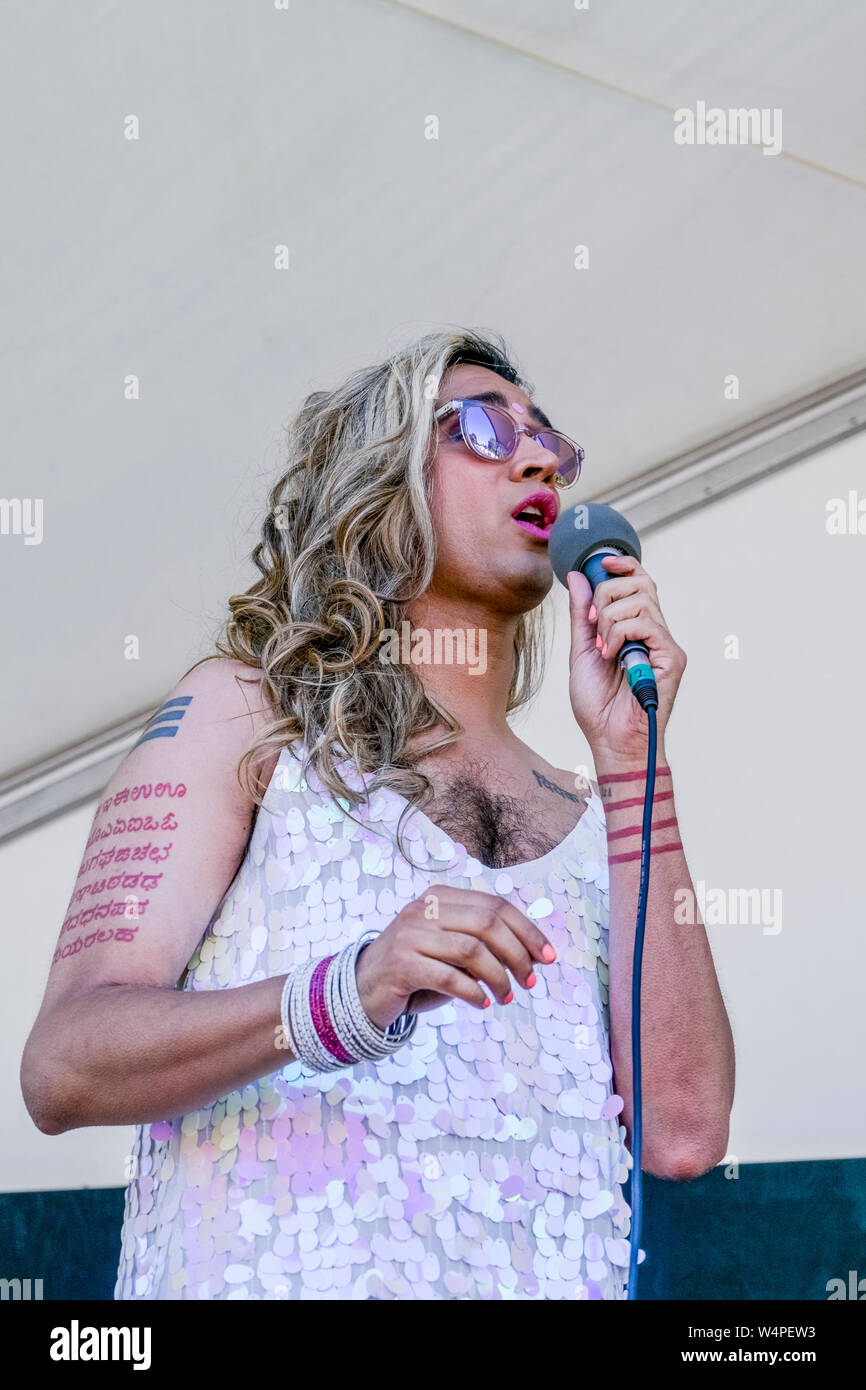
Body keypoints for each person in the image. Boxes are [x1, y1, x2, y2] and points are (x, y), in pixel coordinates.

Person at [21, 327, 735, 1300]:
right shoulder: (244, 716)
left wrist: (632, 761)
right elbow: (65, 1066)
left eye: (547, 440)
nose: (535, 457)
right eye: (479, 427)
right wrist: (351, 990)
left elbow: (683, 1131)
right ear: (379, 479)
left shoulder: (586, 805)